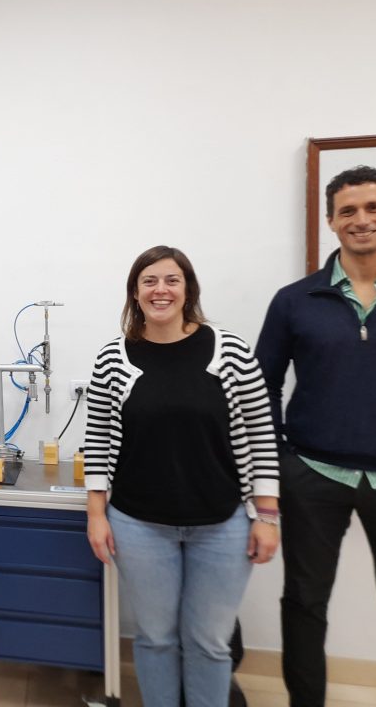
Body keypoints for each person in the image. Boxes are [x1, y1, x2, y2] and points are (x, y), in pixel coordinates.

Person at [85, 245, 280, 707]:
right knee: (155, 639)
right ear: (135, 293)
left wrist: (267, 516)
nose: (161, 290)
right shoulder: (113, 357)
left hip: (223, 524)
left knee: (209, 642)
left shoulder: (229, 351)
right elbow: (97, 441)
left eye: (172, 280)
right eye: (149, 281)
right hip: (138, 525)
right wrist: (96, 515)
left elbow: (261, 432)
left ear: (188, 289)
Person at [257, 165, 376, 707]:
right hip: (313, 476)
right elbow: (261, 387)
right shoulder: (295, 300)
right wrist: (279, 463)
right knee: (304, 603)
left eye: (373, 207)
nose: (361, 219)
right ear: (331, 221)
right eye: (348, 211)